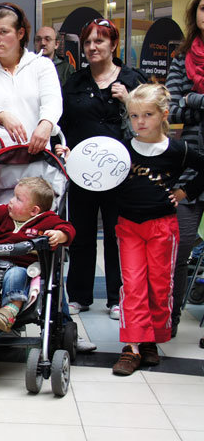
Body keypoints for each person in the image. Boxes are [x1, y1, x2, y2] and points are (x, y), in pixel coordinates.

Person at [111, 83, 204, 375]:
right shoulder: (122, 147)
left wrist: (184, 192)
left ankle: (150, 339)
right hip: (129, 226)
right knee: (134, 283)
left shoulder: (177, 149)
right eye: (134, 115)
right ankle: (132, 346)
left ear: (164, 114)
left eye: (147, 115)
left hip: (163, 226)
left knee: (159, 285)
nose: (140, 122)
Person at [59, 18, 145, 320]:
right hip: (82, 170)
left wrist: (128, 101)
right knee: (80, 232)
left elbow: (147, 123)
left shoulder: (133, 80)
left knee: (116, 233)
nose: (93, 47)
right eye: (88, 42)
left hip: (121, 172)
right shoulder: (76, 82)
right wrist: (63, 146)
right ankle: (79, 296)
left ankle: (117, 297)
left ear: (113, 44)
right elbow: (64, 123)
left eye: (100, 41)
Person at [0, 177, 75, 332]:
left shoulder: (47, 221)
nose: (11, 201)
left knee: (16, 276)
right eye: (13, 196)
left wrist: (59, 235)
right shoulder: (4, 213)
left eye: (18, 199)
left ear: (34, 210)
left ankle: (9, 311)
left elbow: (67, 228)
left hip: (22, 266)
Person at [0, 3, 62, 156]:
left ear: (20, 33)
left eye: (3, 32)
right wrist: (1, 116)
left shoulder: (42, 65)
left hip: (37, 158)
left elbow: (52, 103)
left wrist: (46, 123)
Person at [166, 0, 204, 338]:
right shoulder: (181, 58)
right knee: (180, 253)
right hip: (190, 171)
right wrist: (198, 101)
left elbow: (185, 103)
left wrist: (193, 100)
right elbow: (172, 109)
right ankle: (170, 319)